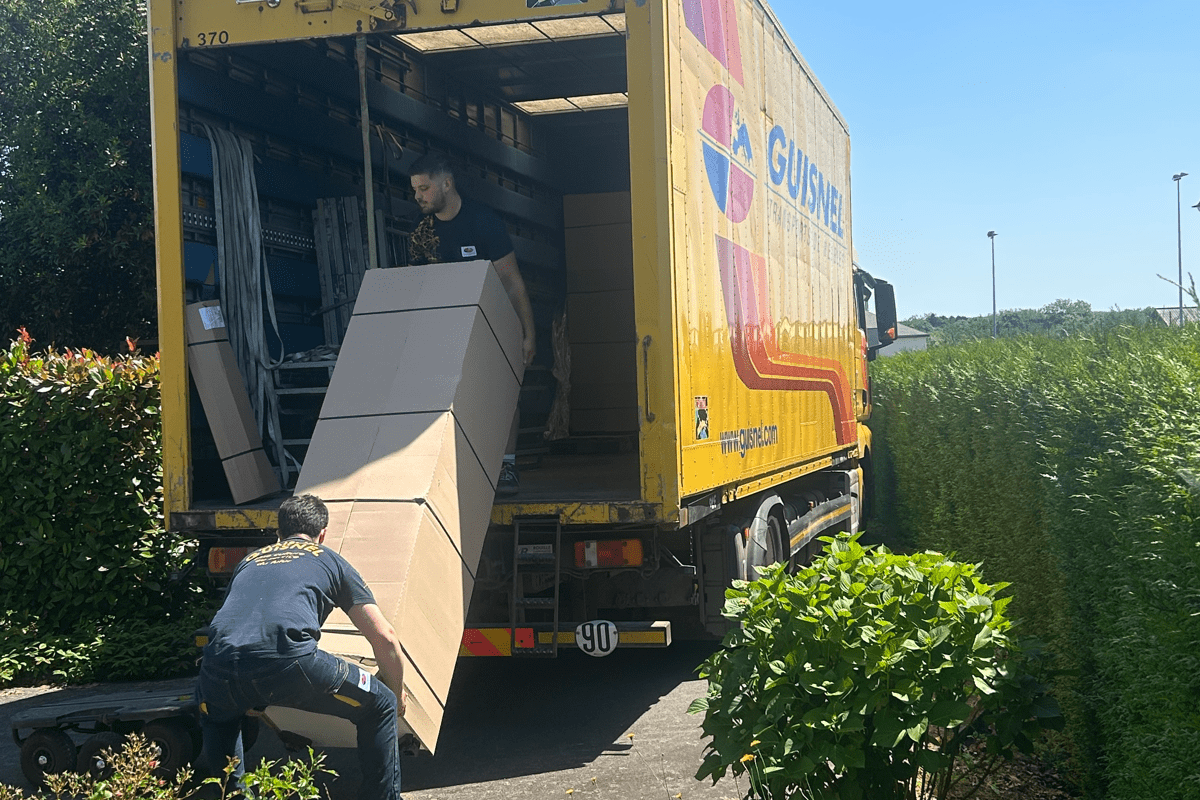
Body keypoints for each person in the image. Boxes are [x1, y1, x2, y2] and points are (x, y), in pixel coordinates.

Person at [196, 494, 406, 800]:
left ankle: (231, 795)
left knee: (219, 719)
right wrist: (397, 694)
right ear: (322, 534)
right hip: (290, 661)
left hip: (217, 667)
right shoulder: (328, 559)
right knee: (382, 703)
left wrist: (249, 691)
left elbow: (241, 625)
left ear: (278, 533)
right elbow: (385, 637)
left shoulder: (249, 562)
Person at [408, 152, 535, 495]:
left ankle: (507, 465)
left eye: (424, 188)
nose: (418, 196)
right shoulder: (421, 230)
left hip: (490, 321)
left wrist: (528, 333)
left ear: (446, 184)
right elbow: (417, 285)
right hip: (446, 328)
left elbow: (511, 280)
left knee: (503, 393)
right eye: (415, 189)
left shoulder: (483, 221)